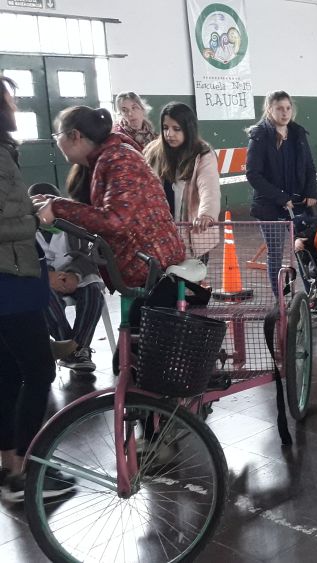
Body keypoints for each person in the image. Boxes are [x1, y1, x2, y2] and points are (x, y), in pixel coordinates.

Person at [0, 76, 75, 502]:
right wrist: (34, 220)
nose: (14, 103)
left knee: (8, 372)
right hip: (8, 279)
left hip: (10, 274)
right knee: (38, 370)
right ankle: (28, 473)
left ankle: (9, 464)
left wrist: (29, 208)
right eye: (9, 96)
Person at [32, 106, 185, 290]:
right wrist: (53, 202)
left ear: (75, 135)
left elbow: (115, 220)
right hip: (144, 261)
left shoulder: (119, 159)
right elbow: (102, 212)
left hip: (151, 264)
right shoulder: (106, 158)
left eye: (58, 135)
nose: (57, 141)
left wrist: (57, 208)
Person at [246, 90, 317, 296]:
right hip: (269, 207)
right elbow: (253, 174)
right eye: (279, 108)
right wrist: (281, 197)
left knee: (304, 249)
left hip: (299, 204)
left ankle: (312, 296)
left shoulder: (298, 134)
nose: (285, 113)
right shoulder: (259, 136)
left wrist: (311, 192)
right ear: (269, 109)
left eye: (288, 108)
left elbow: (310, 167)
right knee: (275, 253)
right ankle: (281, 298)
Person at [28, 183, 103, 374]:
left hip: (74, 276)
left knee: (94, 291)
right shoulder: (24, 230)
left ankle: (76, 351)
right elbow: (23, 259)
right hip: (42, 277)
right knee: (43, 296)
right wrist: (48, 275)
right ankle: (74, 351)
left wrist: (74, 275)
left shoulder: (74, 225)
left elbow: (87, 256)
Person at [144, 101, 221, 257]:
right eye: (165, 128)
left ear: (188, 129)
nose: (169, 134)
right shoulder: (153, 151)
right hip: (159, 234)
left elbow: (209, 187)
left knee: (191, 279)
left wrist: (206, 214)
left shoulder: (203, 153)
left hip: (192, 235)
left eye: (176, 129)